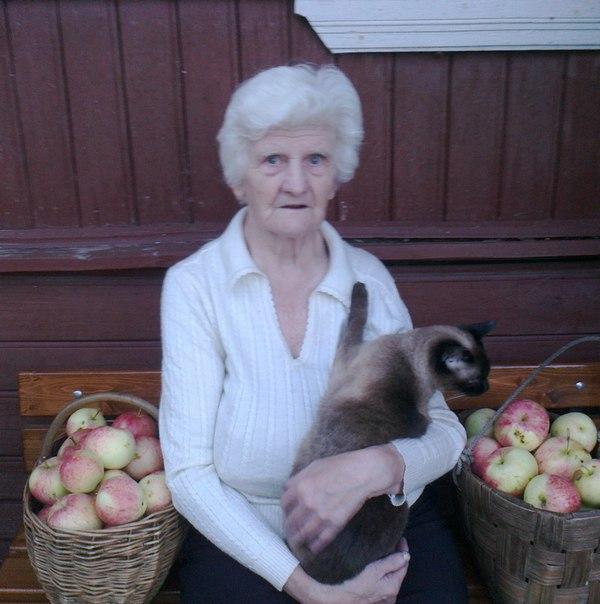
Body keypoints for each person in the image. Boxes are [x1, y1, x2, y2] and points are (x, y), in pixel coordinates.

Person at [159, 63, 468, 603]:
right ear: (239, 177)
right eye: (273, 160)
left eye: (316, 160)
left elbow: (445, 432)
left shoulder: (368, 280)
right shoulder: (195, 287)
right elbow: (189, 474)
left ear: (336, 174)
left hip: (381, 521)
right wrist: (308, 588)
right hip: (248, 534)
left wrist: (382, 466)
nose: (296, 183)